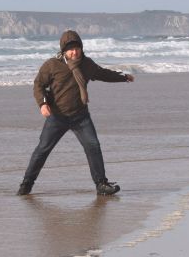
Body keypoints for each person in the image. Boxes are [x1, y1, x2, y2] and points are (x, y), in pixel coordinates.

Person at [18, 30, 135, 196]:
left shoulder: (87, 64)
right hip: (57, 117)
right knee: (42, 150)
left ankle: (101, 184)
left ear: (81, 48)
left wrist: (123, 77)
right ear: (64, 50)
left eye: (77, 48)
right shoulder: (52, 65)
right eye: (70, 49)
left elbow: (103, 74)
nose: (74, 52)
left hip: (80, 116)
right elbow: (39, 85)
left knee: (93, 146)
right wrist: (43, 104)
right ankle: (26, 185)